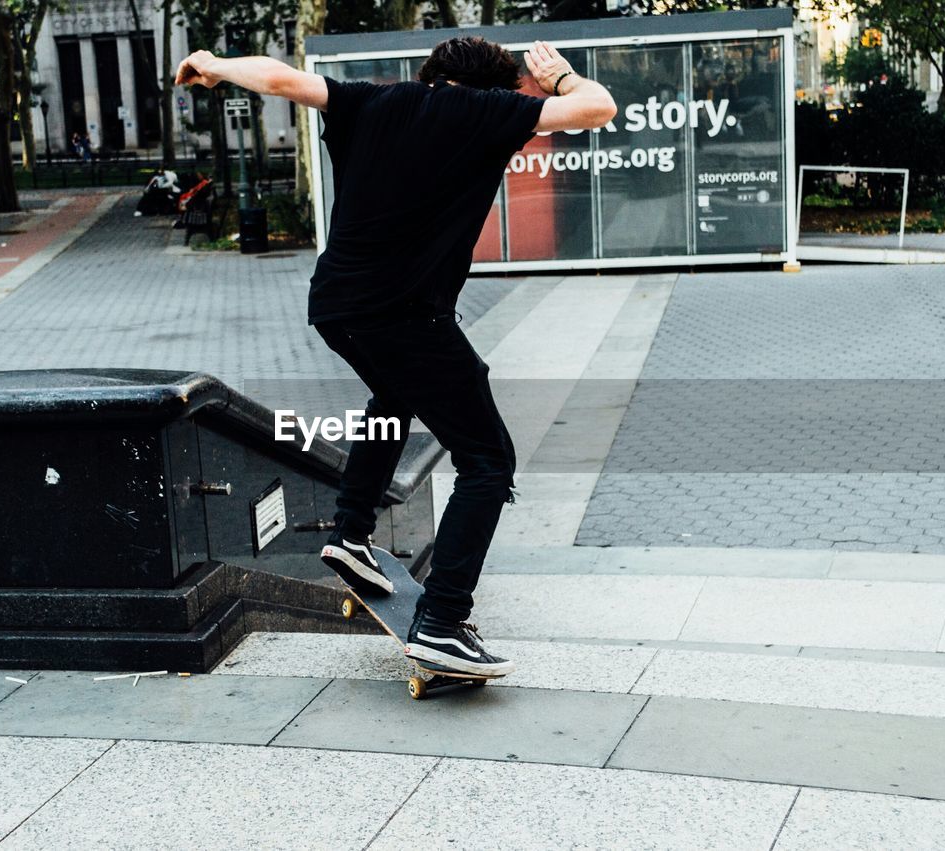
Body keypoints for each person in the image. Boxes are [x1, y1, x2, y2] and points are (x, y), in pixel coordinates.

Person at [175, 37, 616, 677]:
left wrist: (214, 66)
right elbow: (597, 107)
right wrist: (561, 78)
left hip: (336, 307)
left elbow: (280, 79)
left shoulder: (371, 101)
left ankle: (351, 536)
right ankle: (442, 624)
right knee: (488, 462)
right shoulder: (485, 112)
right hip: (408, 315)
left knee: (394, 400)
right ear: (490, 88)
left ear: (430, 75)